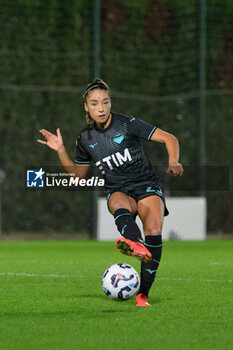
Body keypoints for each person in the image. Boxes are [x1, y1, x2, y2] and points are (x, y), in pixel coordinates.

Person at [37, 78, 184, 307]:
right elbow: (77, 176)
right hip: (118, 188)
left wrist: (174, 160)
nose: (101, 108)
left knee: (154, 229)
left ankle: (142, 295)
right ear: (86, 107)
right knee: (117, 203)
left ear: (110, 103)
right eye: (95, 103)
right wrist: (61, 150)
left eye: (105, 102)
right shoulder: (85, 139)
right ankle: (135, 243)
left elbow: (169, 138)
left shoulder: (128, 124)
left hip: (146, 184)